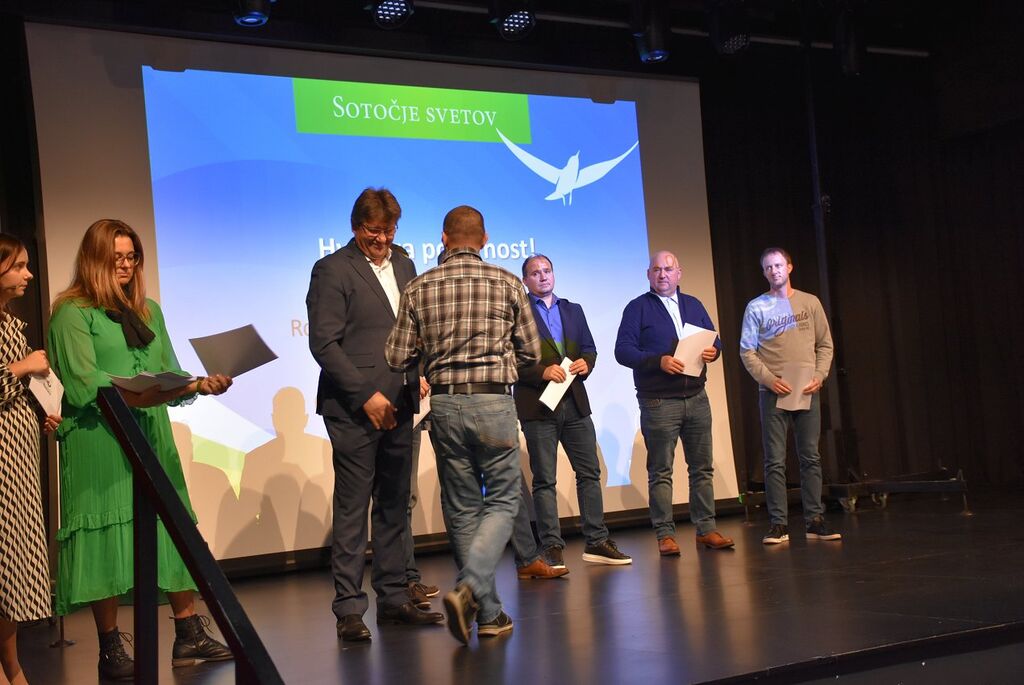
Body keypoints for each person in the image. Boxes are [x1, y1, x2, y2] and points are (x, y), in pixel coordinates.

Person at [47, 219, 234, 681]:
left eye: (132, 257)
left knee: (170, 525)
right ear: (95, 259)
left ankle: (188, 631)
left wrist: (199, 384)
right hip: (100, 436)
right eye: (117, 258)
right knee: (105, 531)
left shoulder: (148, 310)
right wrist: (139, 393)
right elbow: (82, 382)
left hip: (150, 431)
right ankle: (110, 646)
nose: (126, 266)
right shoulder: (72, 312)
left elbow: (168, 369)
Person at [385, 205, 541, 644]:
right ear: (485, 239)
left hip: (446, 405)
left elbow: (395, 356)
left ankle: (488, 614)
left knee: (462, 507)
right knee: (504, 501)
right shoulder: (508, 282)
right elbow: (531, 352)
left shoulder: (418, 287)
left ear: (443, 238)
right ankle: (471, 586)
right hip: (493, 401)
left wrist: (433, 349)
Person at [306, 188, 443, 643]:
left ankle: (394, 597)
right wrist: (366, 395)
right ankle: (349, 608)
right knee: (352, 509)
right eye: (373, 231)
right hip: (353, 409)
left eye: (389, 231)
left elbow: (415, 328)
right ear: (355, 227)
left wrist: (418, 373)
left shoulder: (405, 264)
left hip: (401, 404)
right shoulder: (331, 269)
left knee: (393, 504)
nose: (382, 240)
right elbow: (324, 343)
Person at [614, 250, 734, 556]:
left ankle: (706, 529)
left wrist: (714, 351)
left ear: (679, 273)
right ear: (648, 275)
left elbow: (715, 341)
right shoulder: (638, 308)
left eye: (668, 269)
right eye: (657, 269)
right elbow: (622, 351)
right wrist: (659, 361)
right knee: (661, 471)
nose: (663, 274)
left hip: (696, 397)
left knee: (702, 468)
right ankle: (665, 535)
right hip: (658, 402)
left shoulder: (693, 304)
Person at [516, 255, 631, 568]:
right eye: (535, 273)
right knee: (544, 479)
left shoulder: (573, 309)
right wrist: (540, 372)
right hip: (538, 405)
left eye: (547, 271)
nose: (543, 276)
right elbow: (509, 360)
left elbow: (589, 349)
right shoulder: (518, 313)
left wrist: (586, 364)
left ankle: (596, 540)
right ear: (525, 280)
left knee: (589, 472)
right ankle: (552, 545)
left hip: (575, 402)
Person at [739, 247, 840, 545]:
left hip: (806, 389)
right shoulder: (756, 307)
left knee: (811, 456)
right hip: (773, 392)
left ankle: (815, 520)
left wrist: (819, 376)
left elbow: (825, 345)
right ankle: (778, 524)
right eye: (768, 267)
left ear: (790, 267)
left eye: (778, 265)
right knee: (774, 460)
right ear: (764, 272)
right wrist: (770, 380)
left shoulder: (810, 302)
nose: (774, 271)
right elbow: (747, 351)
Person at [0, 235, 61, 685]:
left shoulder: (9, 323)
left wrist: (37, 414)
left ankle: (11, 667)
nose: (28, 274)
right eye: (18, 266)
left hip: (18, 464)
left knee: (14, 571)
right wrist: (24, 367)